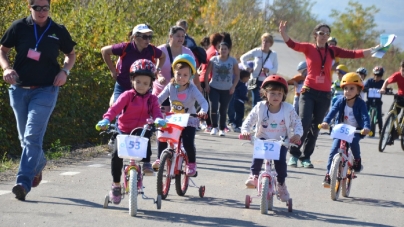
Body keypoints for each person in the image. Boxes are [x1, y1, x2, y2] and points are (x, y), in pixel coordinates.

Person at [0, 0, 76, 201]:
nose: (42, 12)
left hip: (46, 90)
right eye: (37, 8)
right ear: (29, 7)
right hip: (18, 90)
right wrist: (6, 68)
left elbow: (71, 54)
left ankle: (23, 183)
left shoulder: (57, 30)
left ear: (49, 8)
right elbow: (2, 50)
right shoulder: (19, 27)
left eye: (45, 8)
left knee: (32, 137)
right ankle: (39, 161)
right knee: (25, 139)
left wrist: (64, 71)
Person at [279, 21, 379, 168]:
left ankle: (306, 157)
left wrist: (373, 49)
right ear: (315, 35)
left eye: (327, 33)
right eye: (321, 33)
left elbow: (353, 54)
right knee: (304, 122)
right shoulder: (308, 48)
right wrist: (283, 33)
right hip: (308, 91)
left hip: (325, 94)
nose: (325, 35)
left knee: (317, 126)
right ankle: (294, 154)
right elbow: (293, 44)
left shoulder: (332, 50)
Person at [96, 59, 164, 205]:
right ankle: (116, 185)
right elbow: (114, 109)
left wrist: (159, 120)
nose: (141, 86)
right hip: (123, 130)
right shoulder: (126, 95)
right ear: (132, 79)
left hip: (141, 130)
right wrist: (106, 120)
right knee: (116, 154)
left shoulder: (152, 99)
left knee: (146, 136)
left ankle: (146, 163)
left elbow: (157, 112)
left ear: (151, 84)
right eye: (138, 82)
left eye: (146, 83)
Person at [240, 75, 302, 202]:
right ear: (265, 93)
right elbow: (248, 121)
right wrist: (245, 131)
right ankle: (254, 176)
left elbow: (297, 123)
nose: (276, 97)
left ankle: (281, 184)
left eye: (279, 93)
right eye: (272, 93)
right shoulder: (260, 107)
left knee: (281, 165)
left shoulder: (288, 109)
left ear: (284, 95)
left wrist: (297, 134)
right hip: (263, 138)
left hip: (281, 141)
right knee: (257, 156)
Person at [154, 54, 208, 176]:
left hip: (189, 119)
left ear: (190, 76)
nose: (181, 78)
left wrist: (203, 111)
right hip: (173, 118)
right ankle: (159, 158)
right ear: (174, 73)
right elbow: (159, 98)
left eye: (185, 75)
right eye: (178, 74)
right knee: (162, 135)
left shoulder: (192, 89)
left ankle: (191, 164)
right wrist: (152, 106)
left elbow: (203, 102)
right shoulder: (171, 86)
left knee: (188, 142)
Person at [320, 73, 370, 187]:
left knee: (354, 142)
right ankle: (328, 174)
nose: (347, 91)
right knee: (333, 151)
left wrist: (366, 127)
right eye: (345, 88)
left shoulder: (361, 103)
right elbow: (332, 112)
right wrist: (326, 122)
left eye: (351, 88)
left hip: (355, 130)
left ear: (358, 91)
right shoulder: (340, 100)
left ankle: (357, 160)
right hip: (341, 129)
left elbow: (365, 116)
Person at [101, 23, 165, 103]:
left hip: (143, 89)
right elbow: (104, 51)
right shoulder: (125, 47)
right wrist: (112, 70)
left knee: (144, 113)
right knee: (118, 111)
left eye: (149, 37)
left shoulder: (151, 49)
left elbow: (163, 56)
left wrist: (157, 69)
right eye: (144, 37)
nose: (148, 40)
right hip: (123, 86)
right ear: (135, 37)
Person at [154, 26, 196, 113]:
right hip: (162, 90)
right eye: (178, 36)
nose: (181, 38)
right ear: (171, 36)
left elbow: (193, 72)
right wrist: (159, 76)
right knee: (162, 120)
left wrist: (197, 88)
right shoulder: (160, 50)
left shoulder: (188, 52)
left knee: (178, 120)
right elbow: (154, 68)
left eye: (183, 36)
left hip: (181, 92)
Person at [204, 42, 240, 136]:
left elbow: (237, 75)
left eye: (225, 49)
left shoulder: (233, 61)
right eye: (221, 49)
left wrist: (233, 86)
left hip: (227, 89)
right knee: (213, 107)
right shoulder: (213, 60)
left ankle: (222, 128)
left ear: (228, 50)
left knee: (223, 110)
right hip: (214, 87)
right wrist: (207, 85)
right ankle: (214, 127)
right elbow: (207, 73)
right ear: (218, 50)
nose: (223, 50)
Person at [240, 33, 278, 107]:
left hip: (266, 81)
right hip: (255, 80)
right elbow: (243, 58)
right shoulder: (256, 51)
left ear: (270, 44)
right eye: (263, 41)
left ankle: (263, 118)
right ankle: (255, 118)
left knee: (265, 102)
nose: (264, 43)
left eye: (267, 41)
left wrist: (268, 70)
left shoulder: (273, 54)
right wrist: (247, 68)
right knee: (256, 102)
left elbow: (275, 69)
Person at [199, 33, 224, 132]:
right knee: (209, 103)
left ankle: (205, 122)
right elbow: (213, 67)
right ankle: (207, 123)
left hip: (204, 77)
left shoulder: (210, 50)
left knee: (206, 102)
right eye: (221, 41)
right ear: (218, 41)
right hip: (208, 78)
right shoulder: (214, 52)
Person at [380, 61, 404, 143]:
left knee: (402, 119)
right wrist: (383, 88)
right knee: (391, 114)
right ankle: (391, 134)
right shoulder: (397, 75)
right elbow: (387, 81)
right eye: (403, 70)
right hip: (400, 97)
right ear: (400, 69)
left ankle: (401, 130)